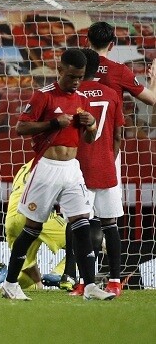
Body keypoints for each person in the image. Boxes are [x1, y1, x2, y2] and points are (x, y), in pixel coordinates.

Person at [0, 49, 114, 301]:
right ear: (60, 70)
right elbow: (21, 127)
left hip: (72, 168)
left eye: (80, 77)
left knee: (82, 224)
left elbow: (89, 139)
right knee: (32, 228)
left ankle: (89, 286)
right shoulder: (44, 96)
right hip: (46, 168)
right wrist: (53, 123)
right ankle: (10, 283)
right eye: (71, 76)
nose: (76, 82)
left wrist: (91, 125)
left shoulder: (82, 99)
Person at [69, 48, 125, 296]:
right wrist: (109, 160)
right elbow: (119, 135)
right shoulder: (112, 93)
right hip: (106, 167)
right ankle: (115, 281)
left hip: (79, 168)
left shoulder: (73, 94)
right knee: (110, 225)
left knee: (81, 225)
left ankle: (83, 282)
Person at [0, 160, 69, 291]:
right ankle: (60, 273)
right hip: (34, 212)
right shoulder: (54, 163)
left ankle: (7, 276)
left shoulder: (24, 167)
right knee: (84, 240)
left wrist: (39, 283)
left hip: (11, 218)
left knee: (32, 278)